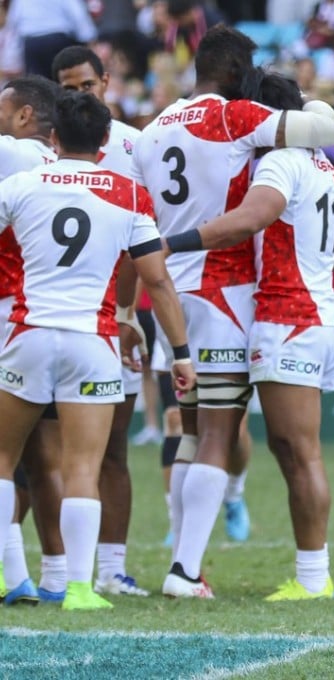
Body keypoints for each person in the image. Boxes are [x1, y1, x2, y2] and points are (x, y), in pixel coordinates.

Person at [131, 24, 334, 599]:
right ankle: (184, 569)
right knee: (219, 434)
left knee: (188, 428)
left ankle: (184, 558)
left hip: (168, 291)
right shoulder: (234, 118)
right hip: (225, 290)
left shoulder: (149, 133)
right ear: (232, 74)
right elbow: (328, 127)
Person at [0, 91, 195, 611]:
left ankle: (11, 571)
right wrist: (180, 353)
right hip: (95, 340)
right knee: (83, 465)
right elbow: (157, 280)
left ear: (53, 137)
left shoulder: (20, 184)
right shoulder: (129, 194)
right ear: (106, 140)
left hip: (29, 334)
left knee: (2, 457)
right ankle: (80, 589)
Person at [52, 43, 149, 598]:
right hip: (46, 318)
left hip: (117, 318)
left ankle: (111, 567)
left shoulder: (136, 147)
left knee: (111, 446)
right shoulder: (40, 152)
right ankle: (38, 569)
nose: (79, 96)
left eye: (85, 86)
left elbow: (146, 246)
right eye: (67, 88)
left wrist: (128, 310)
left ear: (106, 82)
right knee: (37, 453)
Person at [0, 75, 63, 606]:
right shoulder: (63, 167)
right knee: (44, 456)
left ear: (24, 118)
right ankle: (54, 574)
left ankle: (15, 575)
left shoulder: (14, 154)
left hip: (7, 311)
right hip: (50, 315)